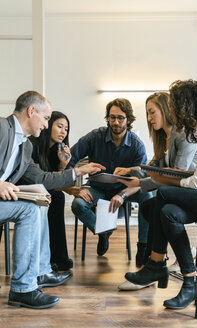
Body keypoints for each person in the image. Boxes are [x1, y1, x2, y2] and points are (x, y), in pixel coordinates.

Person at [0, 91, 105, 309]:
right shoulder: (2, 128)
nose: (47, 125)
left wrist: (77, 171)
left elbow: (41, 178)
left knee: (38, 204)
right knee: (29, 210)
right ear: (31, 111)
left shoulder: (25, 146)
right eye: (46, 118)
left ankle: (37, 274)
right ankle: (23, 288)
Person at [123, 79, 197, 310]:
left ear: (185, 105)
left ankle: (156, 264)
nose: (172, 111)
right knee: (164, 211)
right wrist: (167, 176)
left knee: (164, 194)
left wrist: (166, 179)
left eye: (174, 105)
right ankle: (192, 283)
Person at [115, 92, 197, 289]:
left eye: (152, 112)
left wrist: (139, 184)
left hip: (193, 191)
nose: (149, 118)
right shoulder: (164, 138)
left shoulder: (183, 135)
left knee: (159, 201)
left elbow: (176, 177)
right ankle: (158, 263)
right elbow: (152, 168)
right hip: (175, 193)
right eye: (147, 113)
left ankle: (155, 265)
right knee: (151, 208)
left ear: (167, 110)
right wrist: (130, 171)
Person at [70, 98, 151, 259]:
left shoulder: (136, 145)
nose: (116, 122)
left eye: (120, 118)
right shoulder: (95, 136)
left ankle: (143, 248)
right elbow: (70, 160)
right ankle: (104, 231)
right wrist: (74, 187)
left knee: (147, 197)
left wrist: (122, 195)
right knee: (78, 204)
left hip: (124, 190)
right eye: (112, 117)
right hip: (97, 188)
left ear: (128, 120)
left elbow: (142, 180)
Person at [29, 111, 74, 271]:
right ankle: (47, 258)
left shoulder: (57, 150)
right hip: (27, 188)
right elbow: (37, 179)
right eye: (60, 126)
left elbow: (57, 181)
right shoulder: (32, 144)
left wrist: (63, 163)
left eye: (66, 129)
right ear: (48, 126)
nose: (63, 132)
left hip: (44, 190)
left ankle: (58, 258)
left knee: (58, 196)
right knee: (56, 196)